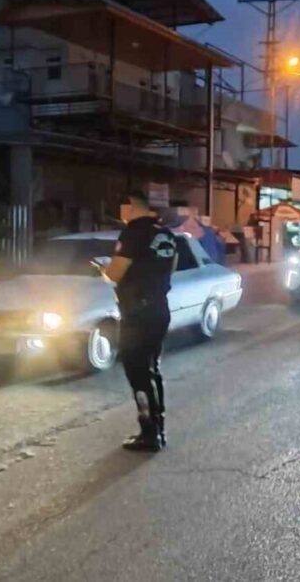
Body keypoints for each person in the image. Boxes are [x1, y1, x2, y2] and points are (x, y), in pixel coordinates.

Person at [104, 191, 177, 452]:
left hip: (137, 314)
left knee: (136, 372)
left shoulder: (134, 232)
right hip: (159, 309)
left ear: (131, 206)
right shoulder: (165, 233)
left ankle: (149, 433)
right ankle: (159, 427)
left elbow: (114, 273)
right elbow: (171, 267)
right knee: (152, 369)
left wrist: (104, 270)